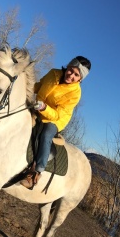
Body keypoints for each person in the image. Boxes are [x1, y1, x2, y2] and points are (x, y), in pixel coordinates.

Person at [20, 56, 91, 189]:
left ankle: (36, 172)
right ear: (68, 67)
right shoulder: (53, 73)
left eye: (76, 75)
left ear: (80, 79)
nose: (71, 75)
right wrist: (24, 87)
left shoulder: (75, 94)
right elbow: (39, 86)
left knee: (46, 135)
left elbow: (58, 114)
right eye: (71, 70)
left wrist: (44, 108)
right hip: (37, 105)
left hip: (55, 119)